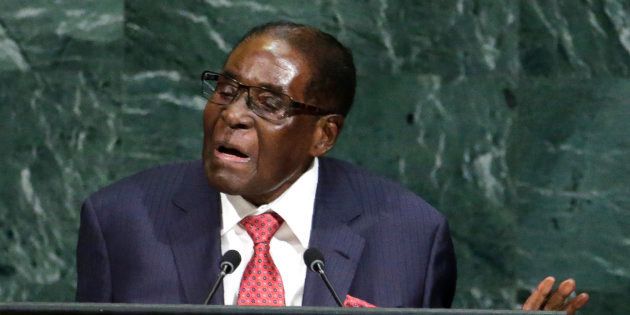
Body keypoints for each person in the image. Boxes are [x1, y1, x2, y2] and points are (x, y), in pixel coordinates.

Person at [76, 21, 588, 312]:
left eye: (268, 103)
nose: (232, 114)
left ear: (324, 134)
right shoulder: (121, 219)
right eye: (227, 89)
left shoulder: (411, 235)